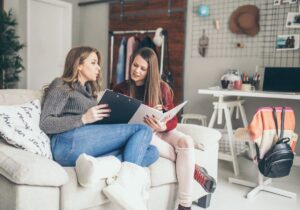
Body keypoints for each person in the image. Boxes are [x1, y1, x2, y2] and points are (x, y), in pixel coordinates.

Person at [40, 46, 159, 210]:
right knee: (142, 130)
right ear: (79, 65)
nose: (98, 67)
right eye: (94, 62)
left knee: (152, 151)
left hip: (84, 145)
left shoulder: (90, 93)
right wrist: (83, 118)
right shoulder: (61, 84)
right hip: (65, 143)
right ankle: (128, 190)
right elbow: (46, 122)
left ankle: (99, 168)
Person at [114, 47, 216, 210]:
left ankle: (185, 205)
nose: (137, 71)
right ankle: (195, 169)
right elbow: (117, 119)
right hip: (143, 135)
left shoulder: (162, 88)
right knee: (178, 151)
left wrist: (163, 124)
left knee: (186, 141)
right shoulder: (121, 89)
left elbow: (173, 119)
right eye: (135, 65)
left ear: (150, 71)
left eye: (142, 68)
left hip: (161, 131)